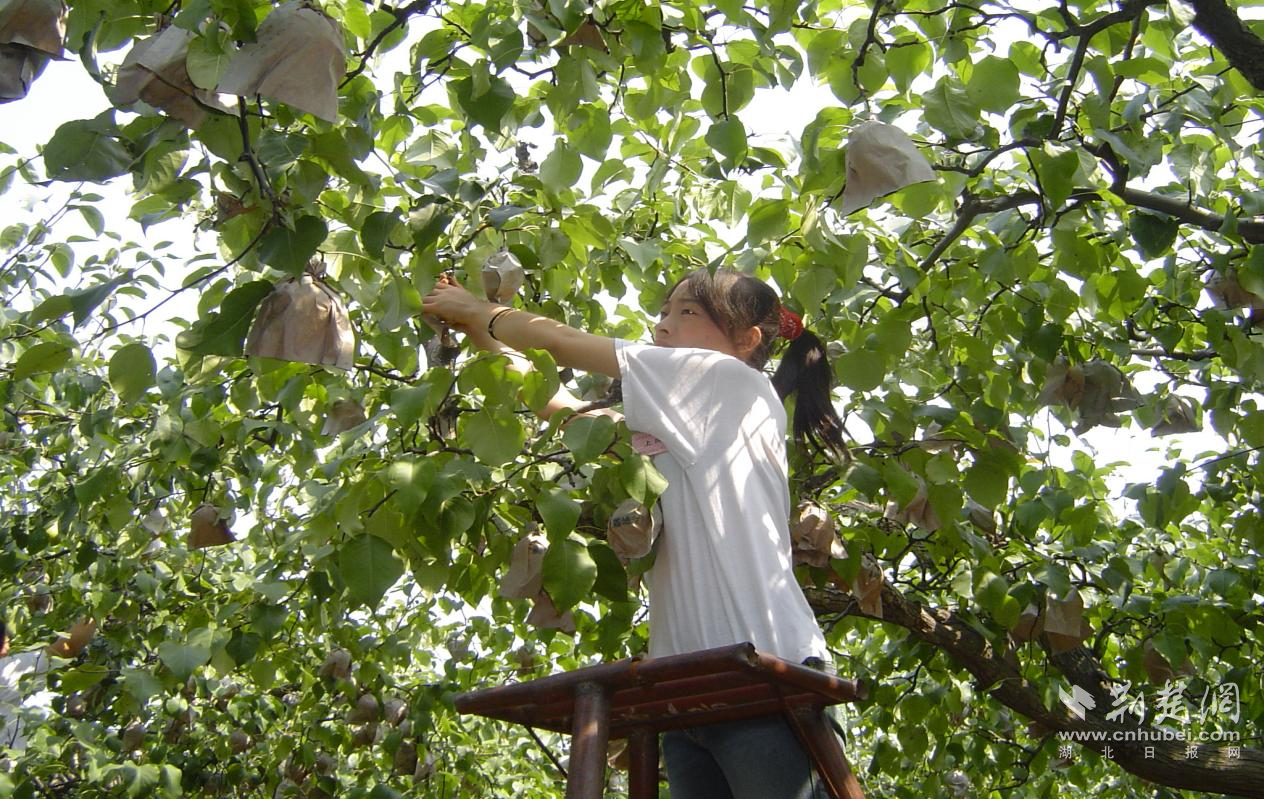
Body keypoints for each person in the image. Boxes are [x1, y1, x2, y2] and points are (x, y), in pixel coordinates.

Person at [423, 267, 847, 798]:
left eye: (687, 312)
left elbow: (563, 342)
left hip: (764, 674)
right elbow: (569, 413)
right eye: (664, 311)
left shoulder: (726, 380)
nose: (663, 325)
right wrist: (484, 338)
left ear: (747, 340)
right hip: (686, 691)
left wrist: (478, 309)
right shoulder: (678, 424)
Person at [0, 616, 96, 753]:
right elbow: (67, 647)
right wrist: (94, 613)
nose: (8, 648)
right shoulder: (7, 670)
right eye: (7, 642)